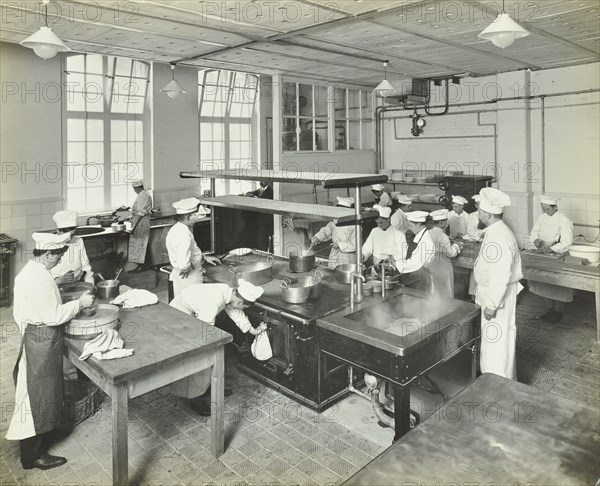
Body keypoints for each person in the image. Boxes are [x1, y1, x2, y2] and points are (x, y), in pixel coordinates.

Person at [6, 232, 95, 471]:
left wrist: (57, 283)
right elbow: (54, 316)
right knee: (35, 397)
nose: (59, 260)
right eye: (57, 256)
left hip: (37, 337)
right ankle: (32, 456)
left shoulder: (34, 270)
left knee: (46, 391)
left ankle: (48, 430)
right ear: (47, 254)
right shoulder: (37, 278)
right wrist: (79, 304)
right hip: (40, 339)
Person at [169, 279, 267, 415]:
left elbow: (236, 312)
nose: (242, 309)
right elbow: (205, 330)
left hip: (192, 315)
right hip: (179, 316)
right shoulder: (215, 300)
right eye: (244, 307)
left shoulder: (229, 293)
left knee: (208, 357)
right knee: (201, 358)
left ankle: (204, 388)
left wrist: (253, 331)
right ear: (239, 302)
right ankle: (195, 400)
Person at [474, 188, 523, 380]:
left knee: (497, 341)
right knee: (493, 339)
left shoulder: (500, 237)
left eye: (479, 211)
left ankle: (498, 381)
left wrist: (492, 305)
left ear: (488, 213)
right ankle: (493, 377)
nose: (478, 214)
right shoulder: (496, 231)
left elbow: (500, 275)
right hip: (494, 293)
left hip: (497, 296)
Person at [528, 195, 574, 323]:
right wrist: (536, 240)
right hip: (543, 252)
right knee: (544, 282)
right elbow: (534, 232)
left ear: (555, 207)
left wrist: (551, 249)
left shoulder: (564, 220)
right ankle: (549, 310)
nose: (545, 212)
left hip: (558, 253)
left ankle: (558, 312)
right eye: (543, 209)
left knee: (557, 284)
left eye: (548, 209)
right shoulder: (541, 217)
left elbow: (567, 242)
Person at [166, 197, 220, 297]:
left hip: (180, 275)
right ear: (188, 216)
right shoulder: (184, 236)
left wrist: (203, 257)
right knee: (193, 304)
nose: (197, 219)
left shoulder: (175, 229)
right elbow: (183, 264)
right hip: (189, 277)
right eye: (195, 216)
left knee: (183, 304)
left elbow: (186, 251)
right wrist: (186, 268)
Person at [394, 211, 435, 292]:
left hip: (421, 279)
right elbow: (411, 255)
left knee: (418, 302)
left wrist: (396, 264)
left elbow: (415, 263)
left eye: (411, 225)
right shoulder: (419, 235)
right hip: (415, 277)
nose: (409, 228)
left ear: (419, 225)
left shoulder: (426, 241)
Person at [50, 210, 94, 285]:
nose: (69, 239)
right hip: (55, 287)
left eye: (72, 235)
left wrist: (90, 286)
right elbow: (42, 277)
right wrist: (59, 280)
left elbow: (86, 268)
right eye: (66, 236)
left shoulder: (78, 241)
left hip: (77, 286)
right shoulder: (48, 244)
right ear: (58, 230)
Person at [310, 196, 356, 268]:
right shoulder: (336, 221)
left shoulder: (355, 225)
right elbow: (327, 230)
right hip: (334, 255)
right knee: (332, 274)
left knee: (345, 276)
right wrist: (317, 237)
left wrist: (339, 245)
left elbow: (355, 245)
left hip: (347, 257)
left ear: (347, 211)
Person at [426, 209, 463, 298]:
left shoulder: (428, 232)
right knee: (446, 289)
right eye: (446, 221)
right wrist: (457, 246)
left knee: (434, 289)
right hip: (442, 265)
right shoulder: (442, 235)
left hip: (430, 264)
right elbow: (450, 253)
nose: (447, 223)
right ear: (442, 223)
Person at [362, 205, 406, 269]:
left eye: (381, 222)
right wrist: (363, 255)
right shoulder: (374, 231)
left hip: (391, 267)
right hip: (376, 266)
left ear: (388, 219)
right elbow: (367, 248)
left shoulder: (399, 234)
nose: (379, 225)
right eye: (377, 223)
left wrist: (393, 258)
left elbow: (403, 253)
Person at [127, 180, 153, 272]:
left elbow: (140, 213)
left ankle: (144, 267)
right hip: (140, 221)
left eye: (134, 189)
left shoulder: (143, 196)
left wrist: (133, 227)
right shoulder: (144, 194)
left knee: (142, 244)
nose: (134, 190)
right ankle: (143, 266)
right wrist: (131, 218)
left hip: (141, 222)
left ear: (137, 188)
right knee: (142, 244)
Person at [244, 180, 274, 251]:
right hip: (258, 221)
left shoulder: (272, 192)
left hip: (267, 222)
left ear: (267, 180)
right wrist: (253, 196)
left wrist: (258, 200)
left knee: (264, 242)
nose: (261, 181)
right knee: (259, 241)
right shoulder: (258, 191)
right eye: (260, 179)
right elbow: (247, 193)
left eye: (263, 179)